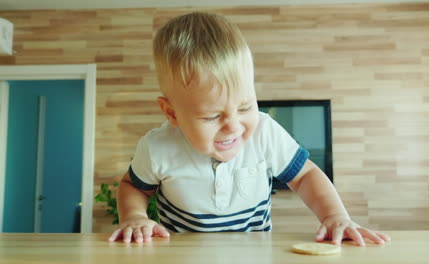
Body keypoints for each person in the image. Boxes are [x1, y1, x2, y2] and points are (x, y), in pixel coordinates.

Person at [108, 11, 391, 246]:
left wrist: (334, 215)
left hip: (255, 254)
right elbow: (132, 185)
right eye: (212, 116)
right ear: (172, 113)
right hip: (183, 256)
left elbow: (304, 176)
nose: (234, 126)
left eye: (244, 107)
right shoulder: (158, 147)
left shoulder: (265, 132)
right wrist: (134, 216)